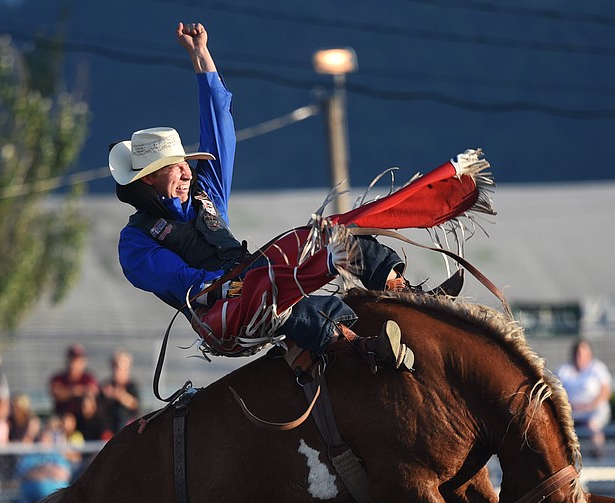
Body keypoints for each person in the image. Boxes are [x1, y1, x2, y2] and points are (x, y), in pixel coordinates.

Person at [110, 22, 415, 372]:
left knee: (334, 236)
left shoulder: (204, 193)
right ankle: (363, 350)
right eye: (174, 167)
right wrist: (238, 286)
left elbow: (220, 128)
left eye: (185, 164)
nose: (185, 172)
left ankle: (403, 292)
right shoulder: (134, 241)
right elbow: (184, 282)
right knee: (272, 293)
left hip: (255, 278)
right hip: (218, 316)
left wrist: (201, 56)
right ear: (147, 180)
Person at [556, 339, 612, 458]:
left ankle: (597, 453)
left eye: (582, 353)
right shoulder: (563, 370)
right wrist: (569, 406)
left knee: (593, 424)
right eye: (577, 353)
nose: (579, 356)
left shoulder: (598, 368)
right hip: (570, 411)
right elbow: (555, 392)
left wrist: (590, 406)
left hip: (594, 410)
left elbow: (606, 391)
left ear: (589, 354)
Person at [15, 417, 75, 503]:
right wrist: (49, 470)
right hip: (32, 496)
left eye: (47, 439)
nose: (44, 441)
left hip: (57, 498)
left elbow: (64, 474)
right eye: (42, 438)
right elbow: (25, 474)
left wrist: (39, 471)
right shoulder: (31, 455)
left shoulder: (57, 455)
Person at [49, 343, 98, 420]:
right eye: (73, 359)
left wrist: (69, 392)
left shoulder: (88, 378)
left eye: (78, 360)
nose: (75, 363)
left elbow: (92, 392)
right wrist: (77, 391)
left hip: (83, 418)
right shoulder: (58, 378)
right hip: (63, 417)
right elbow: (57, 394)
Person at [98, 351, 141, 433]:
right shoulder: (106, 386)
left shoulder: (131, 386)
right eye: (115, 366)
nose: (117, 370)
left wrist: (119, 396)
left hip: (126, 425)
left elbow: (135, 404)